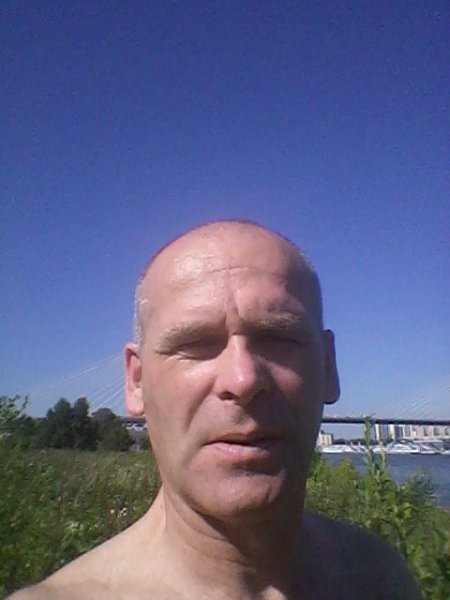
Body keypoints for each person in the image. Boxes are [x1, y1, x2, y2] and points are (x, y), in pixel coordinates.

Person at [11, 220, 422, 599]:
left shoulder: (384, 579)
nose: (243, 380)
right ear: (136, 381)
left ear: (329, 367)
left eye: (279, 338)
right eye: (194, 344)